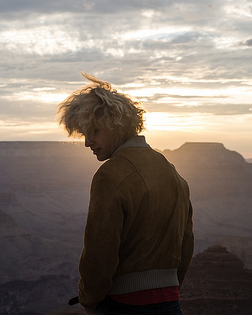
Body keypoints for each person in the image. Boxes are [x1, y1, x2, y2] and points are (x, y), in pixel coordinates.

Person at [57, 73, 194, 314]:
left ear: (115, 126)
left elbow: (99, 253)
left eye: (94, 132)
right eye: (84, 134)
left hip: (125, 305)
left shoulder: (109, 175)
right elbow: (186, 244)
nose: (88, 142)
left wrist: (89, 301)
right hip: (171, 303)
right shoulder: (172, 173)